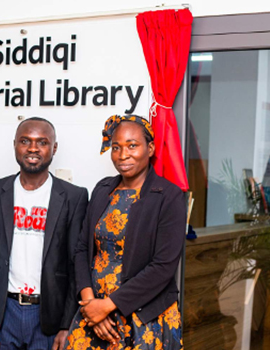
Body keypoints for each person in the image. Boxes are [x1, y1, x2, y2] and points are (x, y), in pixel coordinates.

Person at [65, 115, 185, 350]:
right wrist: (91, 304)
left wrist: (107, 305)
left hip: (144, 318)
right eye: (116, 147)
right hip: (94, 310)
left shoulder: (168, 196)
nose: (123, 155)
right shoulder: (102, 190)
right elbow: (82, 250)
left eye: (132, 145)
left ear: (150, 148)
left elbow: (163, 266)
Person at [0, 117, 89, 350]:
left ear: (54, 148)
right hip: (4, 312)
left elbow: (74, 263)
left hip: (48, 314)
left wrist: (66, 325)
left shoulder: (74, 196)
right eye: (25, 141)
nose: (32, 148)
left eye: (42, 142)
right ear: (15, 145)